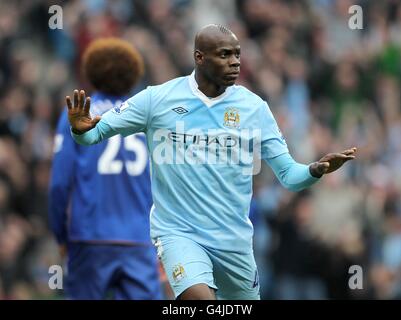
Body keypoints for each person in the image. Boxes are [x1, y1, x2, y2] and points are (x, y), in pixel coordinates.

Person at [65, 25, 357, 300]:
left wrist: (314, 170)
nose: (235, 62)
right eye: (225, 54)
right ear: (199, 58)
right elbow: (94, 135)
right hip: (178, 233)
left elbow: (289, 176)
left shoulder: (254, 108)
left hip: (234, 242)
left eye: (237, 54)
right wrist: (79, 129)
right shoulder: (158, 99)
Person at [48, 38, 161, 300]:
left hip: (89, 236)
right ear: (134, 75)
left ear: (91, 72)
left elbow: (58, 185)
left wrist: (61, 236)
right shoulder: (149, 119)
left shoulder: (77, 116)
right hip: (139, 239)